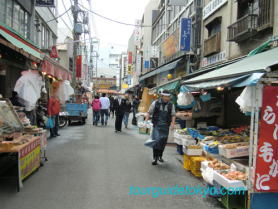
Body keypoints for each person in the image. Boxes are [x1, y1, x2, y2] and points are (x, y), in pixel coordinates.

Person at [145, 90, 176, 165]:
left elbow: (173, 115)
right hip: (157, 125)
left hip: (165, 126)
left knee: (163, 142)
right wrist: (145, 120)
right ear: (162, 96)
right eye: (166, 96)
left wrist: (172, 124)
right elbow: (149, 112)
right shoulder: (155, 103)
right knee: (156, 141)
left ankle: (160, 156)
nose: (167, 98)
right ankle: (155, 158)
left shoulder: (171, 105)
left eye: (168, 97)